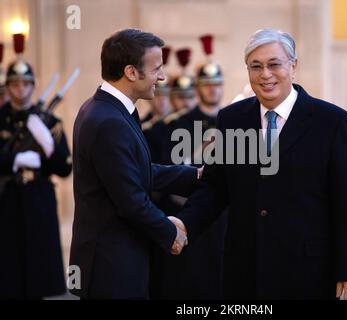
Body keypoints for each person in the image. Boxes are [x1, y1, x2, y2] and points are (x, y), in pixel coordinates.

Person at [172, 28, 347, 300]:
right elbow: (216, 187)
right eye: (256, 66)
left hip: (309, 273)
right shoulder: (231, 119)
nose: (265, 74)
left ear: (293, 66)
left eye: (274, 64)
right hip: (247, 272)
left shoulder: (332, 122)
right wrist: (184, 224)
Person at [69, 29, 200, 300]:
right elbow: (131, 200)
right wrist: (171, 232)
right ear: (131, 72)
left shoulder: (107, 109)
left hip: (115, 257)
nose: (162, 77)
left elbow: (139, 172)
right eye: (156, 68)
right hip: (111, 265)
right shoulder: (109, 121)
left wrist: (195, 176)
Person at [155, 34, 227, 300]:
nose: (212, 90)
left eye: (217, 84)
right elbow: (168, 171)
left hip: (220, 217)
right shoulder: (179, 123)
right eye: (207, 85)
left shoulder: (231, 121)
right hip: (186, 209)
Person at [0, 60, 72, 299]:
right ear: (7, 87)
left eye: (25, 84)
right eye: (15, 84)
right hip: (6, 202)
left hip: (38, 204)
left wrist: (49, 145)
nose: (20, 89)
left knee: (39, 276)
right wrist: (14, 160)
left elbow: (64, 168)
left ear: (33, 86)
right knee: (8, 276)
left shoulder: (50, 122)